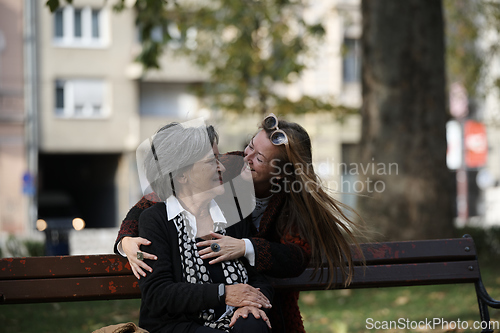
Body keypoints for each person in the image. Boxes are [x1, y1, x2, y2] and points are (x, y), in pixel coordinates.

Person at [116, 114, 365, 333]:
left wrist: (246, 248)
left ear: (280, 172)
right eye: (249, 146)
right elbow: (163, 195)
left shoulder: (291, 201)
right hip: (201, 307)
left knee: (257, 321)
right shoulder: (228, 167)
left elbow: (296, 257)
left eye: (259, 157)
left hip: (263, 291)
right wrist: (124, 241)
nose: (247, 156)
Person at [135, 122, 273, 333]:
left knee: (253, 324)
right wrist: (223, 293)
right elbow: (157, 294)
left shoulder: (233, 214)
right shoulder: (155, 220)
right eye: (212, 161)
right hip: (176, 325)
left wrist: (249, 303)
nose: (222, 167)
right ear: (181, 175)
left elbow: (258, 276)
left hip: (232, 321)